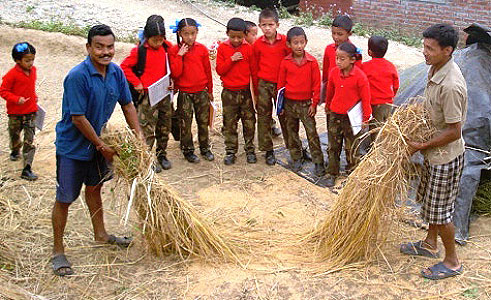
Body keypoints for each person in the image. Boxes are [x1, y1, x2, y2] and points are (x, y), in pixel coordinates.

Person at [52, 24, 143, 277]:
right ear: (89, 47)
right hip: (73, 147)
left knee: (94, 188)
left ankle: (101, 234)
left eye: (110, 47)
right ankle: (58, 251)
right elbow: (78, 119)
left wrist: (139, 136)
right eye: (99, 47)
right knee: (65, 197)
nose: (106, 52)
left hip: (98, 145)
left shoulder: (115, 72)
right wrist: (102, 146)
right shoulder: (77, 76)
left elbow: (127, 105)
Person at [401, 23, 467, 280]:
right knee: (430, 204)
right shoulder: (436, 68)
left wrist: (420, 146)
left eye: (430, 48)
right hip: (433, 152)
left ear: (448, 50)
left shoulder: (451, 85)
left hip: (445, 157)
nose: (424, 52)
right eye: (424, 46)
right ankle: (429, 244)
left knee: (441, 212)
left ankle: (452, 262)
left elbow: (454, 131)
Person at [121, 15, 173, 172]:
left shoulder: (167, 48)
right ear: (147, 37)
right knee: (146, 129)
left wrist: (172, 82)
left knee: (165, 126)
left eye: (161, 39)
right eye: (155, 40)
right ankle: (147, 157)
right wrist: (137, 82)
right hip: (147, 98)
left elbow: (173, 66)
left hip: (164, 94)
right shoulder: (139, 51)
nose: (158, 43)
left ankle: (162, 154)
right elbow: (124, 67)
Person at [277, 27, 325, 176]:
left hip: (306, 105)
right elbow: (281, 85)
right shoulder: (285, 62)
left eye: (301, 42)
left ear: (306, 42)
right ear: (289, 45)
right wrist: (281, 106)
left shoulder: (312, 62)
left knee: (312, 133)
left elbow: (317, 85)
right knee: (292, 132)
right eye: (295, 43)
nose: (299, 46)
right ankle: (297, 157)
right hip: (290, 104)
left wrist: (314, 103)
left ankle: (318, 162)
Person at [325, 42, 371, 187]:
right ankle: (332, 172)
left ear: (352, 60)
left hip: (351, 118)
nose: (338, 61)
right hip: (335, 114)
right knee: (333, 145)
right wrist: (327, 106)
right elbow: (330, 92)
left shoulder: (360, 77)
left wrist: (366, 118)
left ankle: (351, 174)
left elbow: (366, 99)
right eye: (337, 58)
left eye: (342, 59)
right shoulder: (333, 73)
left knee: (351, 146)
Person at [168, 18, 215, 163]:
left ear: (197, 33)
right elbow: (175, 74)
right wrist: (180, 56)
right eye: (186, 34)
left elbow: (208, 71)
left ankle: (205, 148)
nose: (190, 37)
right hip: (185, 93)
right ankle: (188, 150)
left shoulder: (201, 49)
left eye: (193, 33)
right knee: (185, 123)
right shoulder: (174, 50)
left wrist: (210, 90)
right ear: (179, 34)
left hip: (201, 91)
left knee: (203, 121)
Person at [252, 8, 291, 165]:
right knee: (264, 116)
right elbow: (254, 68)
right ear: (259, 26)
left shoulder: (285, 42)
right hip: (263, 84)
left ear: (277, 25)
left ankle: (293, 146)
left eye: (271, 24)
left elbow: (291, 62)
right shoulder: (257, 45)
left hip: (281, 85)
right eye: (264, 25)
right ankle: (268, 150)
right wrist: (255, 90)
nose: (267, 28)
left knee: (285, 115)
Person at [216, 18, 257, 165]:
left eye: (239, 37)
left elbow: (253, 71)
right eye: (232, 36)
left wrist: (255, 93)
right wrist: (231, 60)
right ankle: (230, 151)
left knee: (249, 122)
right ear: (227, 33)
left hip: (245, 92)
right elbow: (220, 70)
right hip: (229, 93)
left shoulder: (248, 48)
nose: (236, 40)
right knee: (229, 123)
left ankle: (250, 150)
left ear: (245, 35)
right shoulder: (222, 48)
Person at [0, 42, 39, 181]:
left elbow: (30, 87)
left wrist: (34, 97)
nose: (31, 63)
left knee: (29, 140)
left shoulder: (33, 71)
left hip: (30, 111)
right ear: (17, 61)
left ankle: (27, 168)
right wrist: (16, 99)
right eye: (27, 60)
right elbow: (3, 91)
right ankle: (15, 150)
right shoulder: (11, 75)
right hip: (15, 113)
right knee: (15, 134)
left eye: (32, 59)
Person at [245, 19, 282, 138]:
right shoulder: (245, 48)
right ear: (245, 35)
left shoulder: (258, 46)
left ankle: (271, 125)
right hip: (247, 83)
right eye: (253, 34)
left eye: (256, 34)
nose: (256, 37)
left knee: (264, 106)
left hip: (260, 82)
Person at [362, 35, 399, 143]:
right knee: (384, 125)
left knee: (375, 129)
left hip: (374, 104)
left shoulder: (365, 66)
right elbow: (396, 85)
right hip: (388, 103)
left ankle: (375, 151)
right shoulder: (391, 66)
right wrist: (391, 96)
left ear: (369, 51)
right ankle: (384, 145)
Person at [321, 15, 362, 104]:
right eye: (333, 33)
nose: (336, 37)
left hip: (347, 95)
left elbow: (358, 76)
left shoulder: (355, 52)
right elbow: (325, 73)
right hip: (331, 92)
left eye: (340, 34)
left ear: (349, 34)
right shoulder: (329, 49)